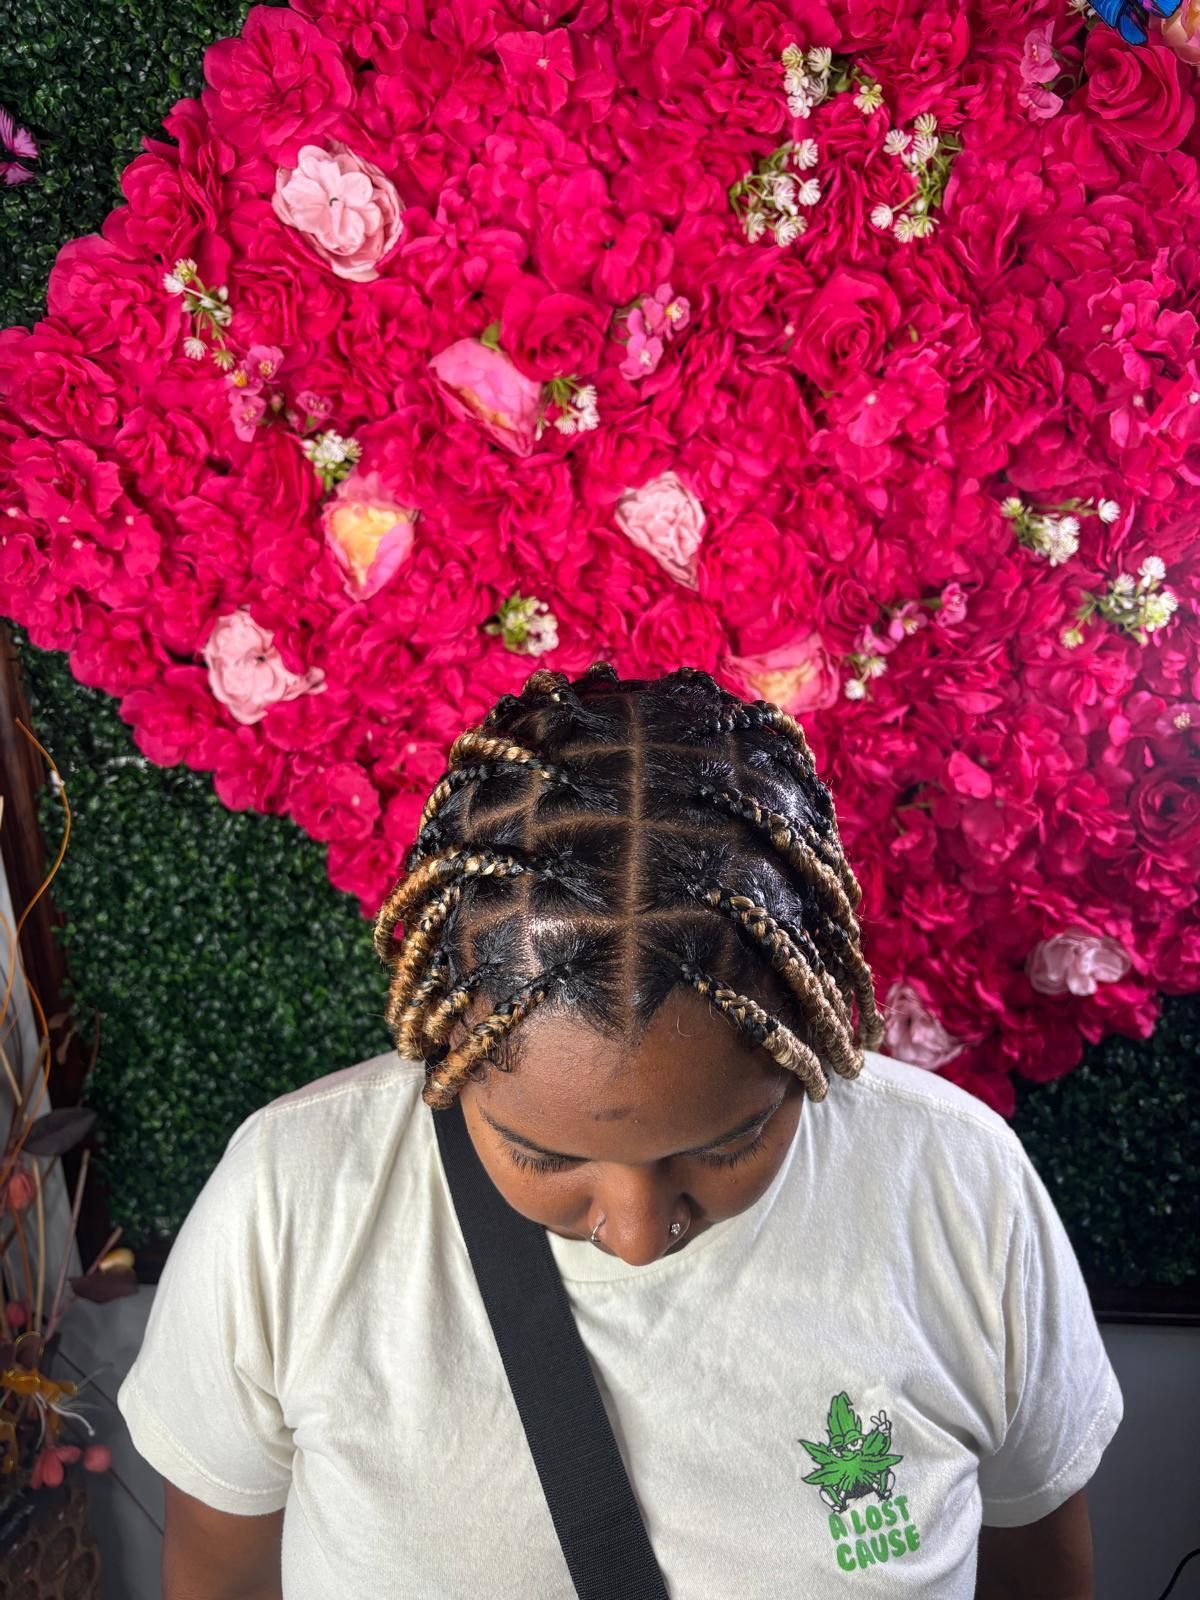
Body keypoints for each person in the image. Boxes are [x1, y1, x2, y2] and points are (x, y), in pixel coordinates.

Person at [118, 662, 1122, 1599]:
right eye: (547, 1156)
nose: (639, 1231)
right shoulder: (289, 1198)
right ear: (449, 1045)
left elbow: (1039, 1562)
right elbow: (221, 1571)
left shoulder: (957, 1181)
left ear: (809, 1032)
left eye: (727, 1144)